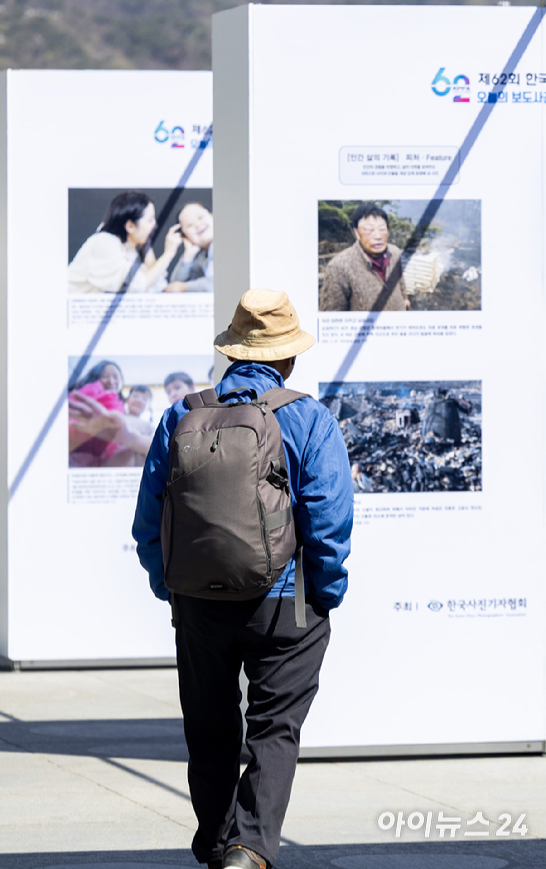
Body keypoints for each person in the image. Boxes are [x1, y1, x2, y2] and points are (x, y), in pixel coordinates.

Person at [132, 289, 353, 869]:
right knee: (274, 727)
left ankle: (215, 841)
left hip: (199, 602)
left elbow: (149, 521)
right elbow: (328, 519)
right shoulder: (308, 417)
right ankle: (248, 847)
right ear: (289, 357)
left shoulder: (182, 414)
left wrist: (172, 588)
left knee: (209, 726)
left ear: (231, 353)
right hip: (286, 605)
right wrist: (325, 593)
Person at [68, 191, 182, 294]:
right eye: (150, 220)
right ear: (130, 226)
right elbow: (140, 286)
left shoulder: (128, 249)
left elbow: (157, 285)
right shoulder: (104, 244)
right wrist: (169, 253)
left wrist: (146, 247)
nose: (155, 225)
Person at [319, 203, 410, 312]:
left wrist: (404, 298)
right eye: (369, 230)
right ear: (356, 233)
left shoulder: (394, 252)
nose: (378, 236)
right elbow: (331, 316)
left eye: (382, 229)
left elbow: (400, 280)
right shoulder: (339, 267)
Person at [68, 361, 154, 467]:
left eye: (116, 377)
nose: (111, 381)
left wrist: (127, 436)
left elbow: (160, 449)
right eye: (104, 376)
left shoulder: (125, 418)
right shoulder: (78, 403)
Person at [165, 202, 214, 293]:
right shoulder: (203, 258)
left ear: (212, 216)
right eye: (189, 225)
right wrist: (188, 256)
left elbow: (214, 285)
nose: (198, 225)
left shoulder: (225, 248)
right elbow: (174, 286)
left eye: (200, 217)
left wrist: (182, 287)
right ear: (184, 236)